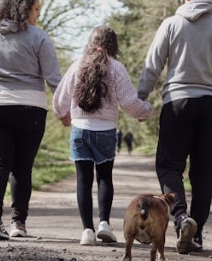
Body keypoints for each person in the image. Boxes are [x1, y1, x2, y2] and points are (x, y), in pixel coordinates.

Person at [137, 0, 212, 254]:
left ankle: (181, 217)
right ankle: (196, 235)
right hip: (208, 105)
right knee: (203, 173)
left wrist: (140, 99)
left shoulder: (171, 24)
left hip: (176, 104)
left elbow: (152, 65)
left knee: (169, 167)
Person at [0, 0, 62, 241]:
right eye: (35, 9)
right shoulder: (38, 37)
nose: (37, 15)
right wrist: (65, 109)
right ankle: (18, 223)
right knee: (22, 168)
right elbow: (54, 79)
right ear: (25, 9)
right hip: (29, 108)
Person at [53, 26, 152, 246]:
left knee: (83, 180)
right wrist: (144, 111)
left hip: (79, 129)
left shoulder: (77, 65)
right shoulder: (116, 68)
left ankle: (87, 231)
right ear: (113, 46)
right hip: (106, 131)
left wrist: (64, 116)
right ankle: (104, 224)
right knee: (105, 177)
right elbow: (128, 102)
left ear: (89, 43)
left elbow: (61, 97)